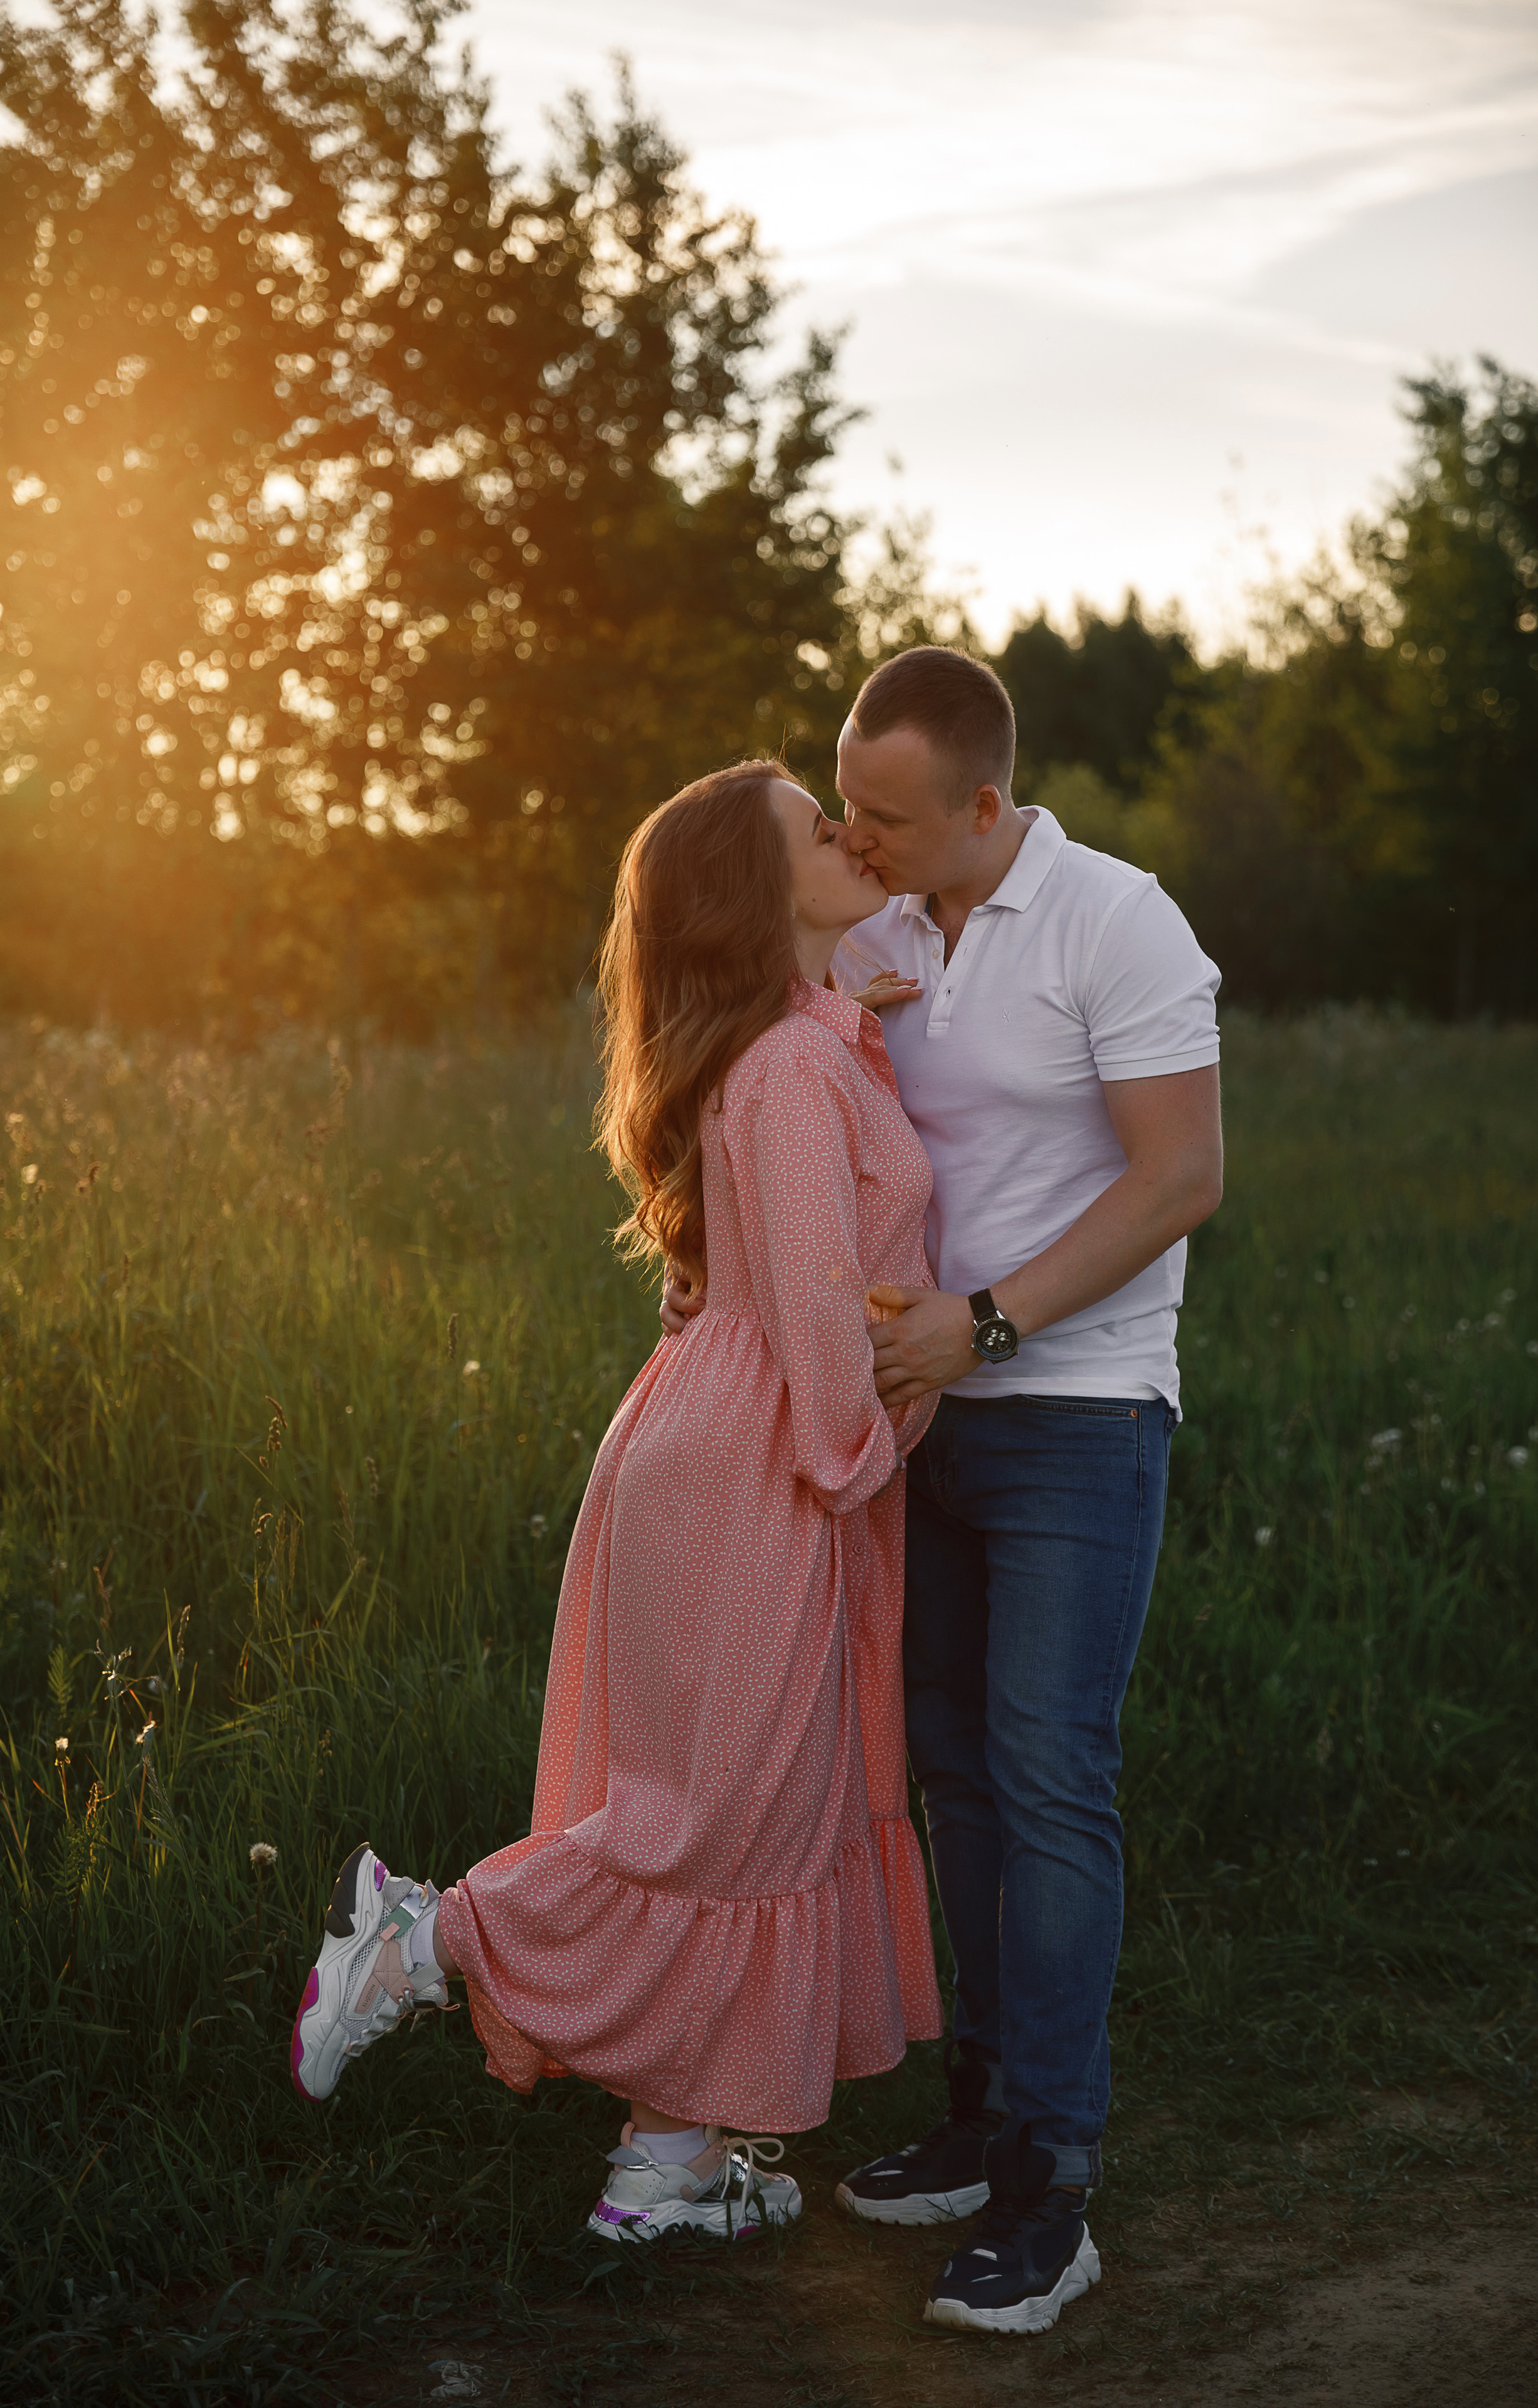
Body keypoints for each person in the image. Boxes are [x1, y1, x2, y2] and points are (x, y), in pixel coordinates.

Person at [289, 759, 945, 2244]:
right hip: (765, 1462)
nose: (844, 836)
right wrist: (871, 1444)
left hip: (722, 1448)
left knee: (757, 1818)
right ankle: (425, 1936)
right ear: (751, 894)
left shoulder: (798, 1045)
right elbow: (814, 1307)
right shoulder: (785, 1072)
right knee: (711, 1826)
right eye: (811, 828)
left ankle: (668, 2170)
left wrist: (852, 1015)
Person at [664, 648, 1222, 2335]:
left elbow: (1183, 1174)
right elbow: (782, 1096)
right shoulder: (887, 930)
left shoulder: (1121, 923)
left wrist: (985, 1329)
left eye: (890, 813)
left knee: (1051, 1776)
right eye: (847, 805)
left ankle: (1057, 2175)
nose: (860, 834)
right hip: (919, 1420)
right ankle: (981, 2113)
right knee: (957, 1776)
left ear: (990, 804)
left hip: (1074, 1407)